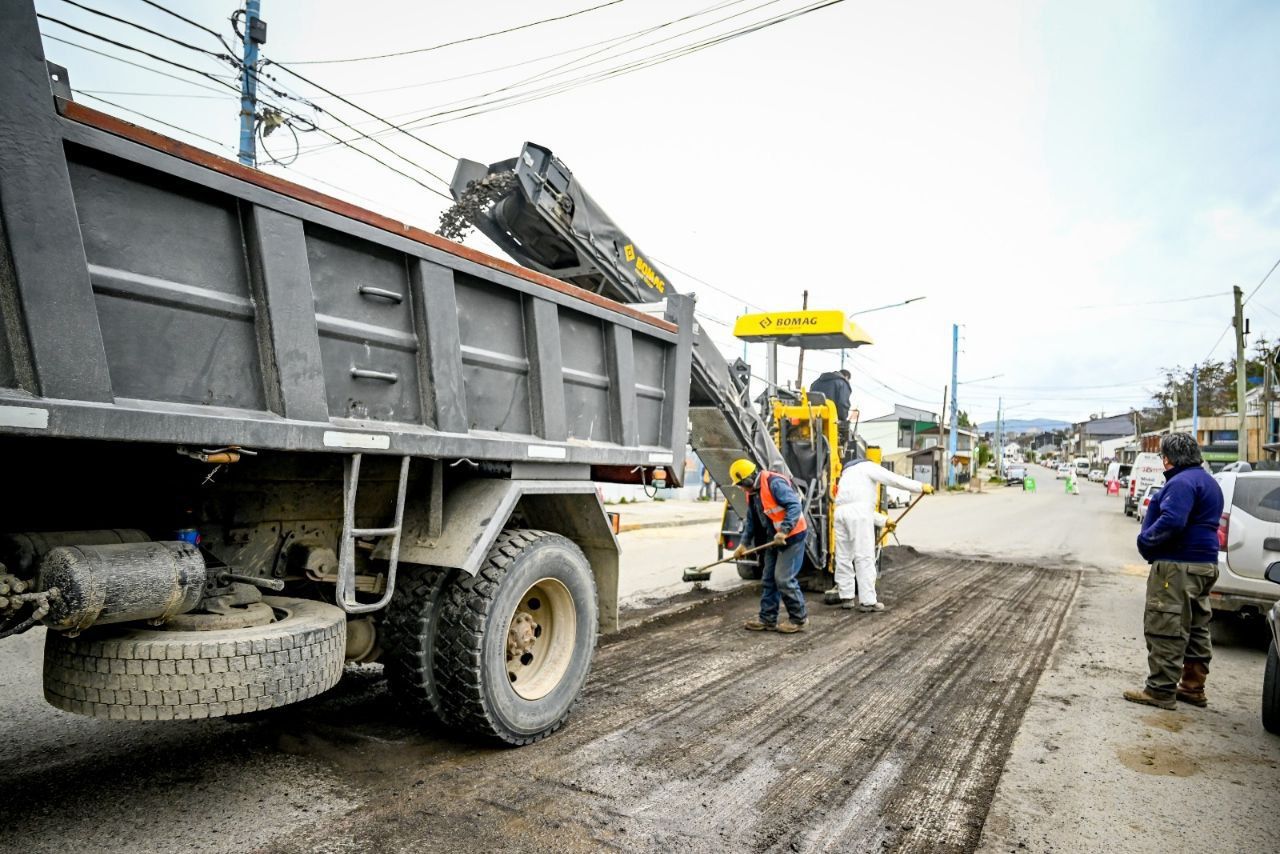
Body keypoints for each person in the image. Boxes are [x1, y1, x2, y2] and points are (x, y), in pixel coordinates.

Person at [1124, 433, 1223, 710]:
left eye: (1162, 456)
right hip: (1204, 564)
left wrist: (1145, 541)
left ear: (1167, 458)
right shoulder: (1208, 481)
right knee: (1195, 626)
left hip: (1178, 565)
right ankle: (1192, 687)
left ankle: (1160, 690)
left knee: (1166, 625)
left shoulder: (1181, 482)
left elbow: (1172, 520)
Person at [829, 456, 932, 611]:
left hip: (840, 514)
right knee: (864, 555)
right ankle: (868, 601)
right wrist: (920, 486)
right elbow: (894, 480)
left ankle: (846, 597)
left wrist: (884, 521)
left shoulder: (846, 475)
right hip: (858, 514)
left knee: (843, 557)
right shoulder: (868, 467)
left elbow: (855, 507)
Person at [729, 458, 809, 633]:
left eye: (741, 484)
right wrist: (743, 545)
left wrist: (785, 531)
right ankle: (767, 619)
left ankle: (799, 619)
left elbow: (794, 506)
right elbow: (751, 521)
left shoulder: (774, 483)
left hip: (793, 536)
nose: (741, 488)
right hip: (773, 538)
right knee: (768, 579)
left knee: (784, 579)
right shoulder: (752, 492)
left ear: (749, 479)